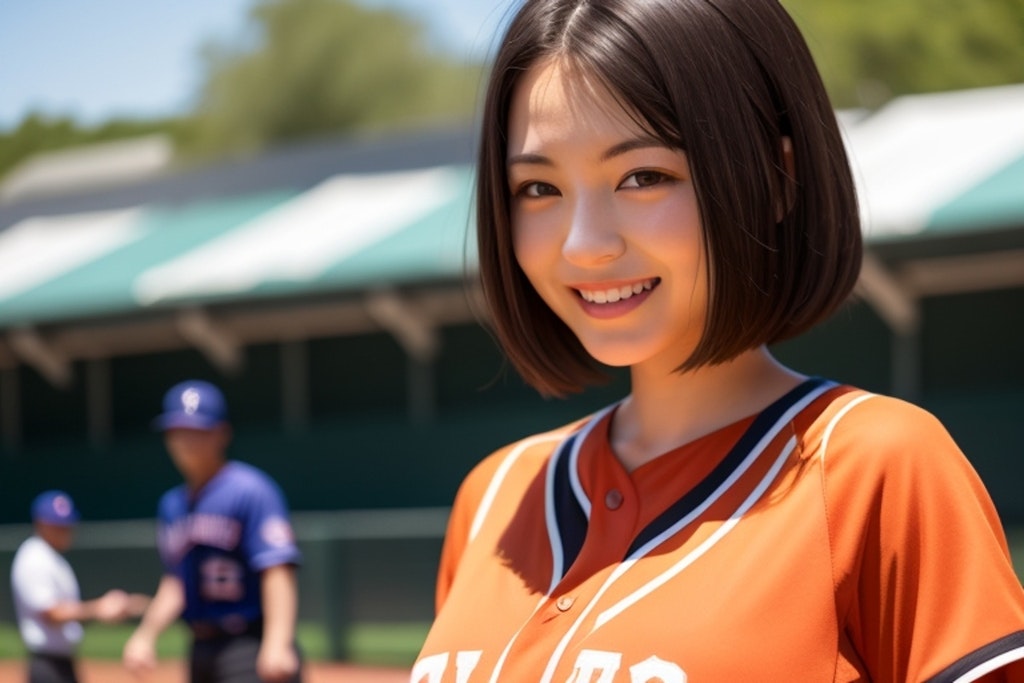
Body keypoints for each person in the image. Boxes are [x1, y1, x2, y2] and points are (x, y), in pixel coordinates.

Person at [412, 1, 1024, 681]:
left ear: (777, 178)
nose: (584, 244)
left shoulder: (877, 464)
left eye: (643, 176)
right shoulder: (496, 494)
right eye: (537, 187)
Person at [122, 379, 303, 683]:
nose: (186, 441)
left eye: (197, 431)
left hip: (249, 641)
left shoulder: (251, 490)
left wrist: (278, 642)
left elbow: (277, 569)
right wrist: (146, 633)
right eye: (178, 431)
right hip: (201, 646)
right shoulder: (172, 504)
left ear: (221, 433)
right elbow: (176, 580)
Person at [10, 490, 149, 683]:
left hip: (62, 662)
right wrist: (99, 608)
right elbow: (52, 613)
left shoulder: (52, 557)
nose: (65, 531)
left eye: (67, 525)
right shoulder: (34, 557)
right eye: (58, 526)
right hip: (47, 665)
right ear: (41, 524)